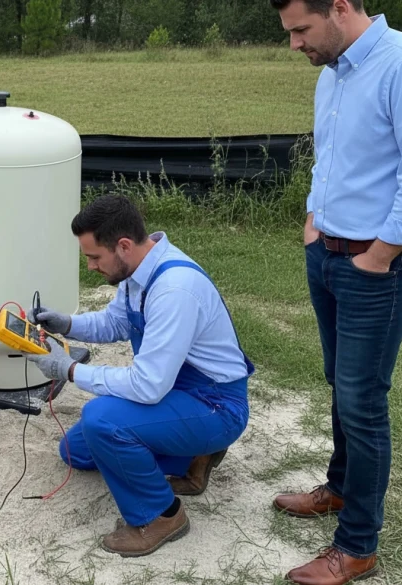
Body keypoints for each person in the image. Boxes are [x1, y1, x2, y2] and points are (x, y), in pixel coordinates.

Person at [268, 1, 402, 584]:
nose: (295, 44)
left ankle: (357, 547)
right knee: (340, 383)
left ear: (341, 8)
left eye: (301, 29)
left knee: (362, 401)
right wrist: (313, 219)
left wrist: (379, 255)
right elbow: (335, 160)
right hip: (327, 255)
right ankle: (341, 489)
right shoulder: (334, 74)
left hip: (379, 267)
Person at [24, 194, 256, 558]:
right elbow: (116, 321)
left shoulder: (174, 289)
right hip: (180, 393)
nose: (90, 266)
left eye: (94, 257)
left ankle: (161, 516)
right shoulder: (139, 270)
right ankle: (196, 456)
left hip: (215, 405)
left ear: (124, 245)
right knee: (76, 451)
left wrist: (69, 370)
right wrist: (67, 324)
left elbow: (147, 386)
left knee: (102, 422)